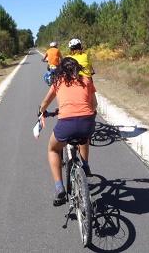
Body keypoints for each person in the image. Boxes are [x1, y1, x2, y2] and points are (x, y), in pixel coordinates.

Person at [39, 57, 98, 206]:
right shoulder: (86, 80)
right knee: (84, 138)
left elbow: (45, 102)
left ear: (61, 70)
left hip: (67, 124)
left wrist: (41, 111)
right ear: (77, 68)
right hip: (87, 122)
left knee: (52, 149)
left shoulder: (57, 82)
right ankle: (85, 165)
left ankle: (59, 188)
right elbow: (94, 104)